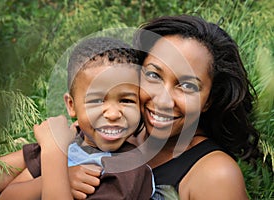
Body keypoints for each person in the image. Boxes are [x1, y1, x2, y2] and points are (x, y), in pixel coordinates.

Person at [68, 15, 259, 200]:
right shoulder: (112, 133)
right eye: (153, 75)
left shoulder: (216, 175)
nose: (162, 101)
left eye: (187, 86)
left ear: (209, 100)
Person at [0, 37, 154, 199]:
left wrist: (54, 153)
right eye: (96, 101)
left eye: (126, 100)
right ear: (71, 105)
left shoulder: (128, 169)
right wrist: (58, 177)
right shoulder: (71, 142)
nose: (113, 114)